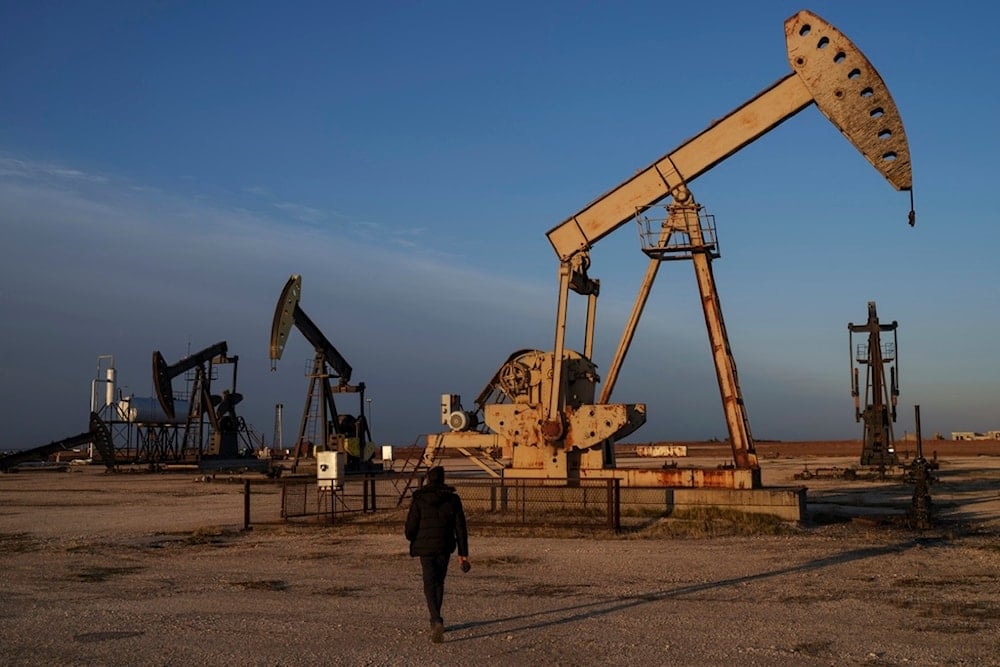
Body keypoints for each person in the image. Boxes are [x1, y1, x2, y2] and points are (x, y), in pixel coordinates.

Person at [404, 465, 469, 643]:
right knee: (439, 582)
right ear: (442, 478)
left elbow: (411, 526)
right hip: (444, 545)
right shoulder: (453, 499)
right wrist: (463, 553)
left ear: (428, 478)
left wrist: (411, 537)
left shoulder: (419, 498)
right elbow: (461, 528)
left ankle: (436, 618)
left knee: (429, 582)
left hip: (425, 547)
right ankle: (436, 619)